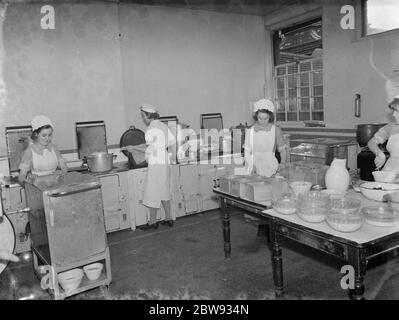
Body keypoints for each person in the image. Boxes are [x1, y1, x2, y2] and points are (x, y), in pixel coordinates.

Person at [122, 105, 175, 230]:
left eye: (142, 116)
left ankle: (152, 222)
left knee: (152, 191)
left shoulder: (151, 128)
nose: (142, 119)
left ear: (148, 116)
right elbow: (170, 142)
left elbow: (147, 147)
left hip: (156, 163)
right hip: (164, 160)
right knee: (164, 189)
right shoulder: (163, 126)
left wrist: (132, 148)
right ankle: (169, 218)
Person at [244, 98, 287, 177]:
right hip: (254, 167)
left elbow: (282, 149)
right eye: (260, 118)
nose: (263, 121)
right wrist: (250, 165)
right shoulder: (250, 131)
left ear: (270, 117)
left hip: (271, 167)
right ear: (256, 116)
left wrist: (283, 163)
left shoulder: (275, 130)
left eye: (266, 119)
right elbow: (247, 151)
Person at [18, 115, 68, 184]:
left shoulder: (54, 148)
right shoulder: (29, 151)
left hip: (55, 187)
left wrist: (61, 173)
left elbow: (64, 168)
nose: (47, 138)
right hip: (37, 188)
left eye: (50, 135)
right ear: (36, 134)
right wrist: (29, 180)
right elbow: (21, 178)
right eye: (44, 135)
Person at [368, 97, 399, 172]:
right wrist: (379, 154)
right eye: (393, 111)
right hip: (390, 171)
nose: (394, 115)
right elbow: (371, 142)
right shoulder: (391, 127)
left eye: (397, 111)